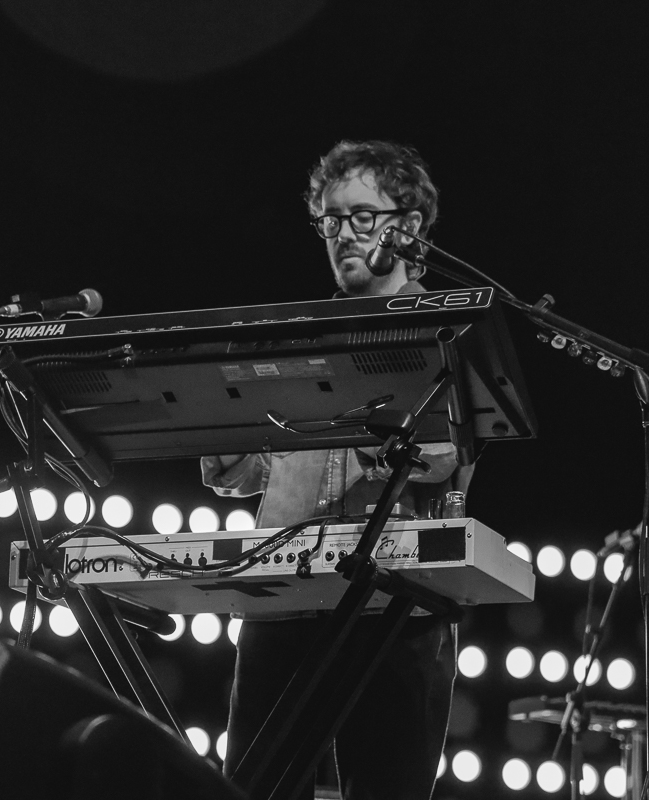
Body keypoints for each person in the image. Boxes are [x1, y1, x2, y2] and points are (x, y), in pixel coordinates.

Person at [201, 140, 473, 800]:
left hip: (395, 606)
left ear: (409, 226)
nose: (341, 234)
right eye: (330, 220)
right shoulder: (301, 335)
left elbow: (442, 453)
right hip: (283, 600)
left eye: (360, 216)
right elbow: (245, 475)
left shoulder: (445, 330)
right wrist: (219, 425)